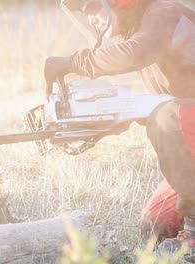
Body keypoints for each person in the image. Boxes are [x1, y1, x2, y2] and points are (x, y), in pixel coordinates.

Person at [46, 0, 195, 251]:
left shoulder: (164, 13)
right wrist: (110, 119)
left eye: (94, 9)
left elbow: (134, 55)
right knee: (156, 225)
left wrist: (73, 63)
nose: (92, 19)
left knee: (166, 117)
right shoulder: (144, 29)